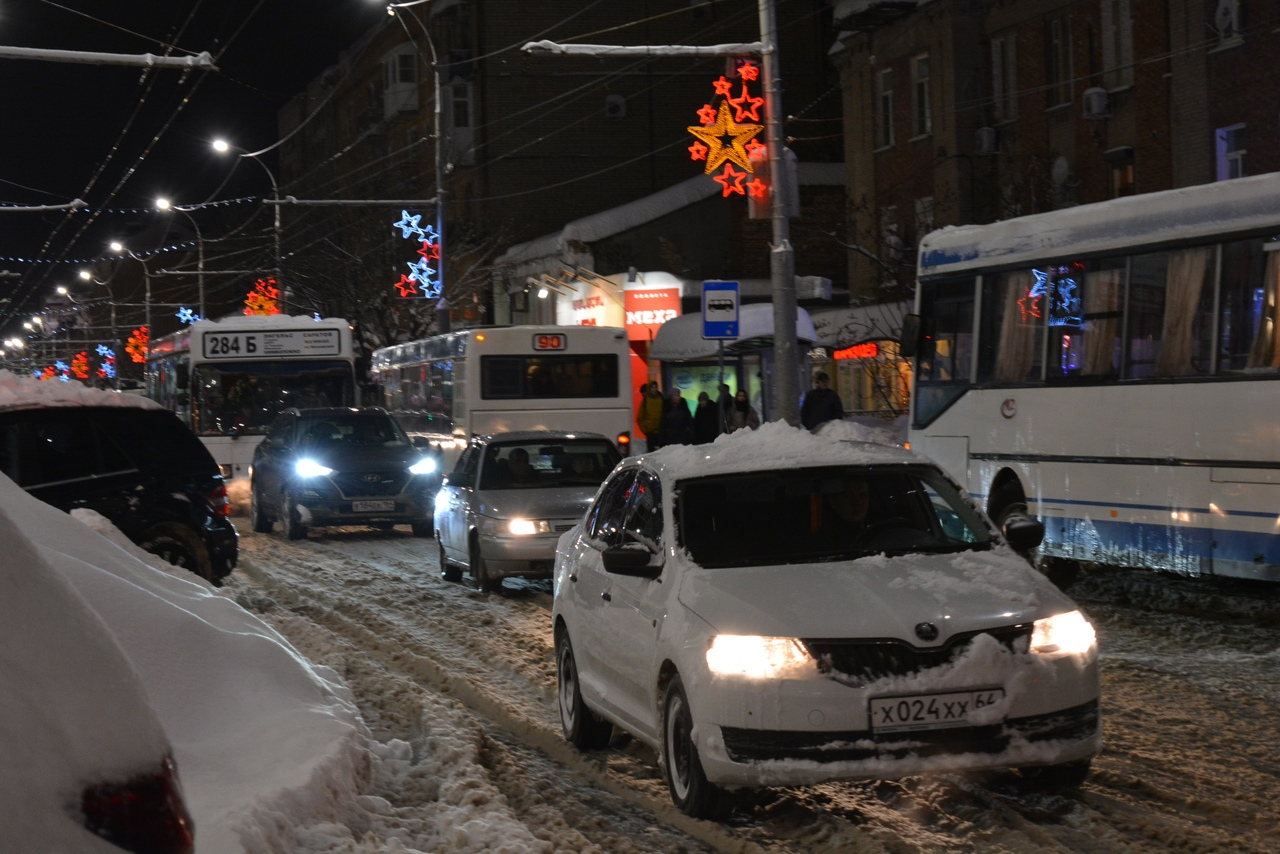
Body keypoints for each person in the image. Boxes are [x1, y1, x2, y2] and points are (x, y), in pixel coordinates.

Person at [636, 382, 664, 451]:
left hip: (661, 432)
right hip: (651, 433)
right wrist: (646, 430)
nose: (654, 389)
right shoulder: (645, 402)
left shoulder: (661, 400)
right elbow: (640, 418)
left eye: (655, 387)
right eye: (652, 387)